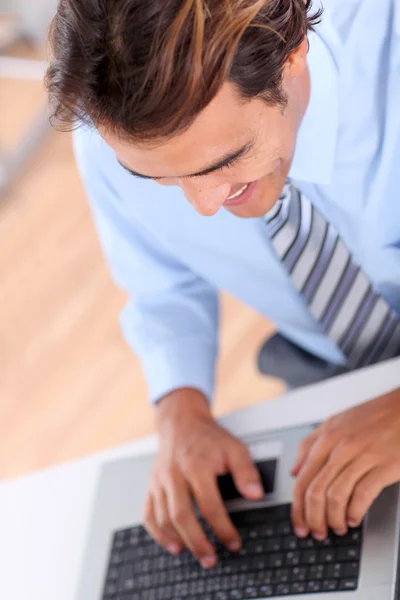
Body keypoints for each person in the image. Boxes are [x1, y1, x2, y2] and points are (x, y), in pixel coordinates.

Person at [46, 0, 400, 570]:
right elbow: (165, 288)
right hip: (329, 382)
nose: (204, 205)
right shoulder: (109, 142)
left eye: (227, 161)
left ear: (293, 57)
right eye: (159, 179)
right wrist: (180, 411)